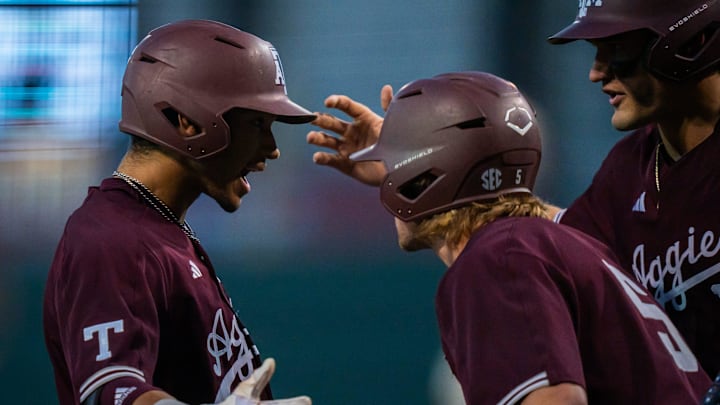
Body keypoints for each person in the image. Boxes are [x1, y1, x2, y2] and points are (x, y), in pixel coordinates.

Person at [308, 70, 711, 403]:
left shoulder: (496, 260)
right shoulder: (560, 245)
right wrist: (412, 158)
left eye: (396, 164)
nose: (388, 181)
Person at [43, 20, 313, 405]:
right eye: (257, 123)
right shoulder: (111, 239)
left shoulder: (155, 228)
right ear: (186, 121)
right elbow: (114, 394)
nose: (272, 148)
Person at [545, 0, 720, 378]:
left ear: (692, 41)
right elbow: (551, 243)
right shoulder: (626, 171)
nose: (596, 73)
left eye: (617, 50)